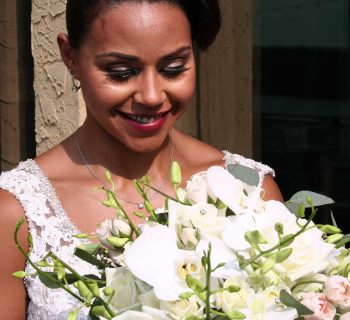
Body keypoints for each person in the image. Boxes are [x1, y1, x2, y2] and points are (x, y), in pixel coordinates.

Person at [0, 0, 283, 318]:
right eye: (121, 73)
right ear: (71, 57)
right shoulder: (17, 213)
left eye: (172, 69)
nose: (151, 95)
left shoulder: (247, 191)